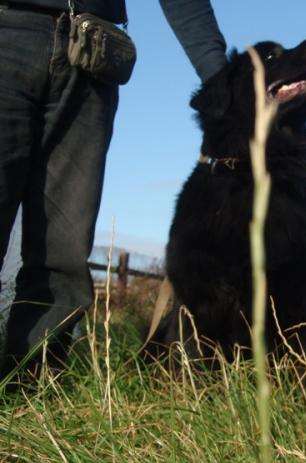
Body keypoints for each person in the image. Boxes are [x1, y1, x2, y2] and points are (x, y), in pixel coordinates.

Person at [0, 0, 227, 379]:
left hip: (93, 51)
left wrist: (222, 82)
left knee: (64, 250)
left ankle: (33, 386)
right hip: (9, 28)